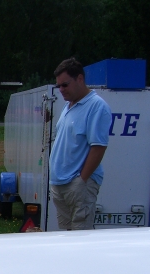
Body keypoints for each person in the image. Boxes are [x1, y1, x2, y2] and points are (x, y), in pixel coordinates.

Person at [49, 57, 112, 230]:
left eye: (65, 85)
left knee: (80, 238)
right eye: (59, 86)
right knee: (66, 237)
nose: (61, 90)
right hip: (60, 184)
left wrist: (81, 181)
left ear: (80, 79)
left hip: (77, 186)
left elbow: (98, 147)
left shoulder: (96, 106)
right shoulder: (69, 105)